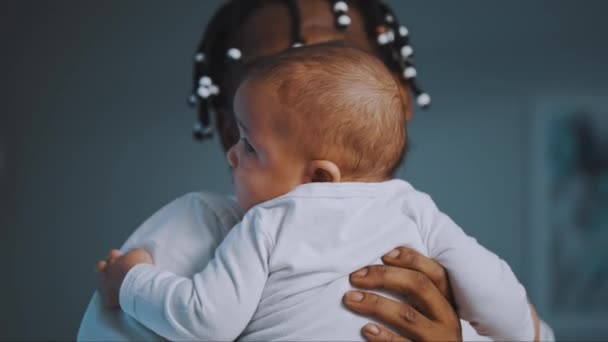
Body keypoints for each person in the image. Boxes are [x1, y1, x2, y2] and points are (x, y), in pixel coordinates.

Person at [78, 1, 555, 340]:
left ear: (399, 99)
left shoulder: (418, 222)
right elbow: (506, 306)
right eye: (272, 74)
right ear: (230, 123)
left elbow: (521, 326)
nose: (301, 83)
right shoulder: (198, 226)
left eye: (334, 66)